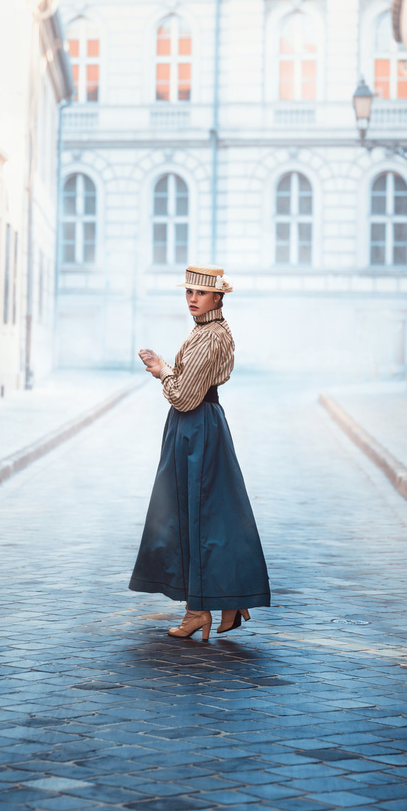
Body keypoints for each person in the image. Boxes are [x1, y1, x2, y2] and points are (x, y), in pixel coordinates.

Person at [129, 263, 270, 642]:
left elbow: (184, 396)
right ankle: (221, 601)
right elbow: (193, 383)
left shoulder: (210, 336)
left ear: (218, 297)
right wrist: (169, 368)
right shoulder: (207, 331)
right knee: (211, 515)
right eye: (188, 292)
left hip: (196, 427)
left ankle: (203, 609)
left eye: (200, 293)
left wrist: (162, 372)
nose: (192, 298)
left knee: (194, 517)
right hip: (199, 426)